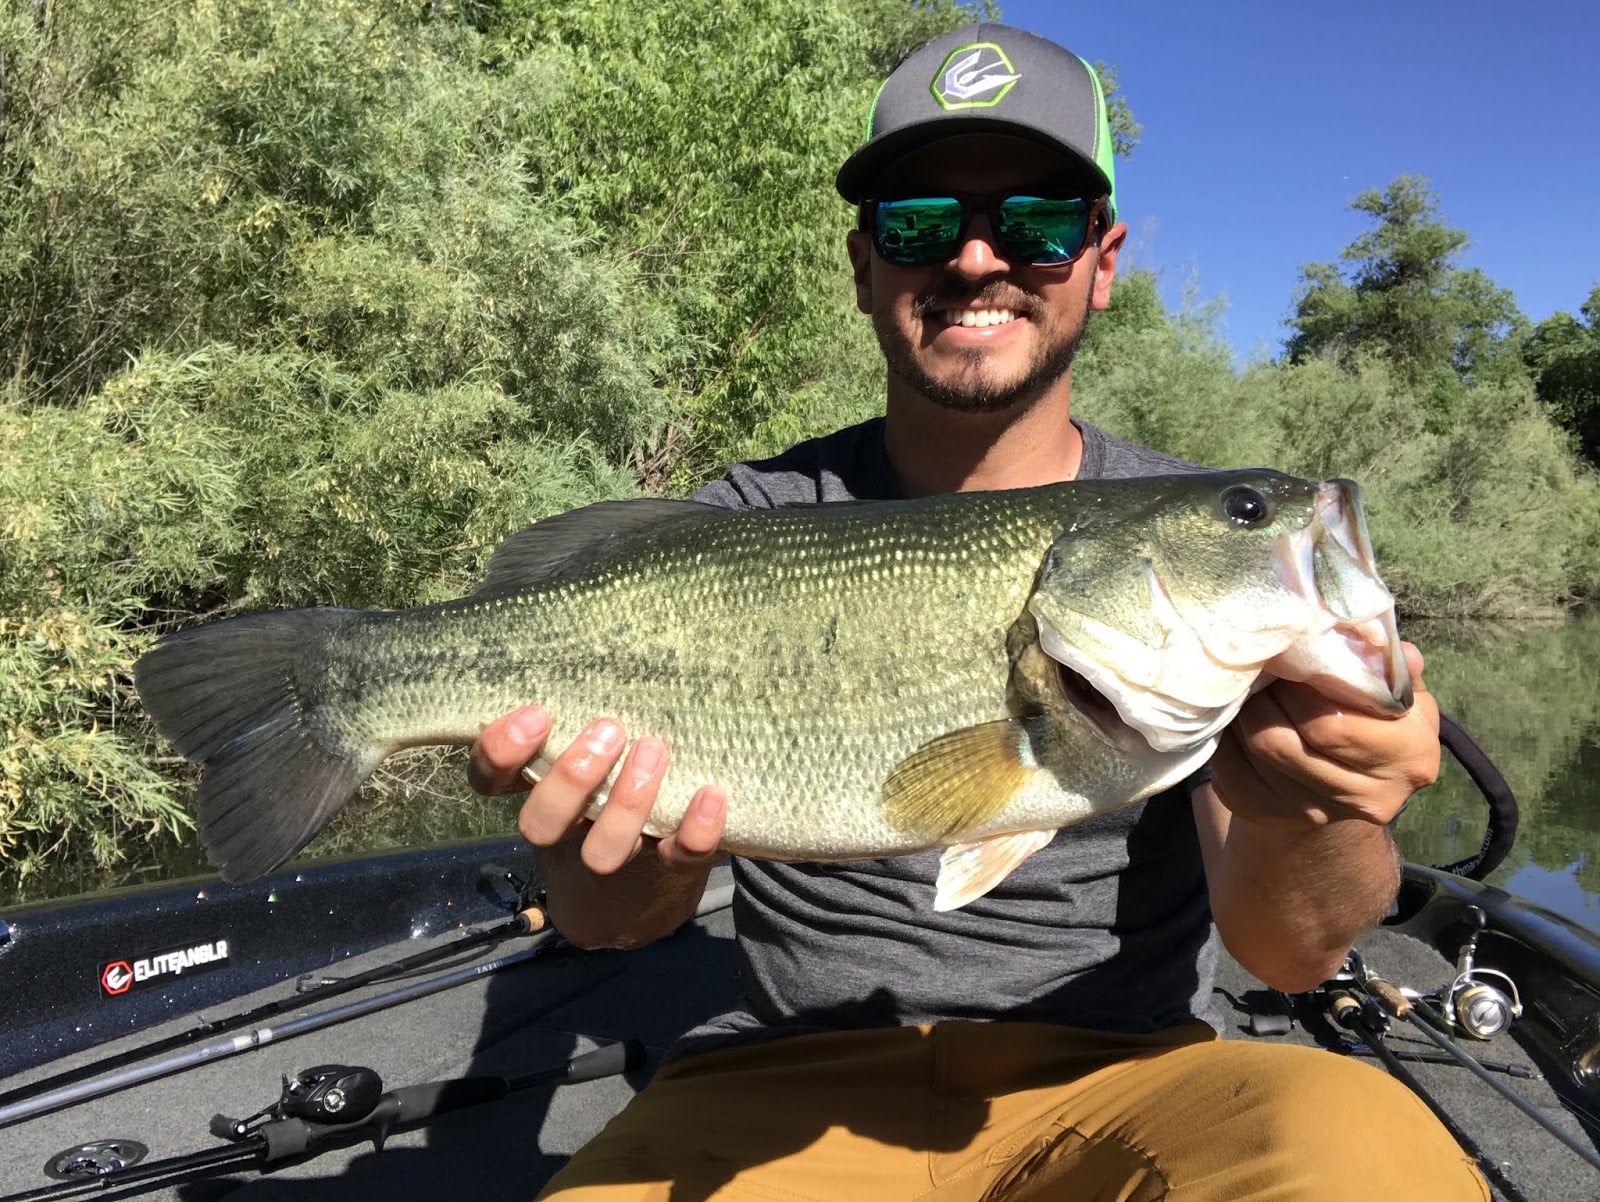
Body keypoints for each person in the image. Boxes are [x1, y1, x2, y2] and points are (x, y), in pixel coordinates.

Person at [471, 23, 1485, 1201]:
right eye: (915, 222)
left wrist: (1315, 805)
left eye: (1038, 221)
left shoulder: (1189, 547)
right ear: (863, 265)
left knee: (1371, 1153)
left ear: (1100, 261)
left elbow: (1294, 951)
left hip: (1129, 1077)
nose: (972, 255)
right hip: (792, 1086)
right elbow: (606, 921)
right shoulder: (740, 522)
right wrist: (618, 863)